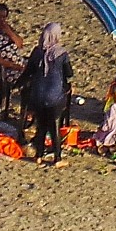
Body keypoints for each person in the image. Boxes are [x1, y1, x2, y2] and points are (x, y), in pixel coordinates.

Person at [20, 22, 74, 166]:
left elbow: (28, 72)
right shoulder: (61, 53)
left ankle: (38, 155)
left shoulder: (37, 52)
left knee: (41, 125)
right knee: (54, 126)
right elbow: (69, 73)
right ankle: (57, 158)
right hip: (54, 96)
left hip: (38, 94)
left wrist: (17, 84)